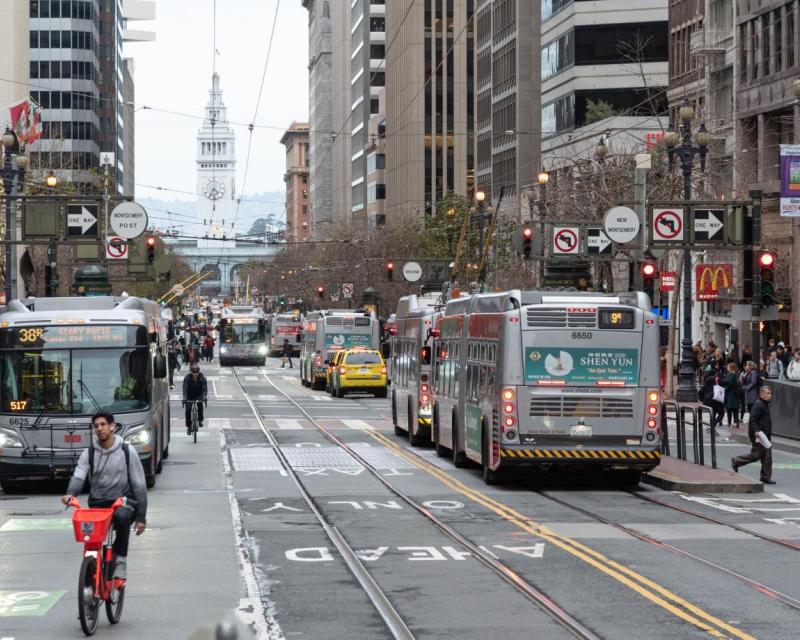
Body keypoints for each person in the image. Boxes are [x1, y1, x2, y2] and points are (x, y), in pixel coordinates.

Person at [60, 412, 147, 579]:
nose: (99, 429)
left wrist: (141, 517)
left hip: (123, 501)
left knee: (121, 517)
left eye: (103, 424)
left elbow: (139, 485)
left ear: (112, 426)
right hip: (98, 504)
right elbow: (79, 475)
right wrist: (70, 494)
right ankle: (91, 571)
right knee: (89, 535)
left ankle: (120, 559)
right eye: (96, 426)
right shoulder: (89, 453)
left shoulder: (127, 451)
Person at [732, 386, 775, 484]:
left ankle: (765, 477)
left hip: (764, 435)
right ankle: (736, 461)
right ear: (762, 394)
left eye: (770, 393)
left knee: (767, 457)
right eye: (768, 393)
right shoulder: (759, 404)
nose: (770, 395)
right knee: (756, 455)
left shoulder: (764, 404)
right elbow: (752, 419)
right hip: (759, 435)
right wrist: (756, 431)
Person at [182, 363, 207, 435]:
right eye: (193, 372)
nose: (195, 374)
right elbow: (185, 388)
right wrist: (184, 397)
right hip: (189, 395)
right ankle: (189, 426)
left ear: (199, 372)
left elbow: (205, 388)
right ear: (191, 372)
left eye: (196, 372)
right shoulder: (187, 378)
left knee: (200, 406)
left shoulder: (202, 378)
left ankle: (200, 420)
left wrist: (204, 396)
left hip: (199, 394)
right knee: (188, 410)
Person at [720, 362, 741, 428]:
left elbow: (728, 383)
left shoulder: (731, 374)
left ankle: (731, 423)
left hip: (731, 394)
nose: (727, 367)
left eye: (728, 366)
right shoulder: (735, 374)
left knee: (731, 409)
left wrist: (723, 388)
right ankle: (735, 422)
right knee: (734, 410)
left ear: (731, 367)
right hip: (734, 394)